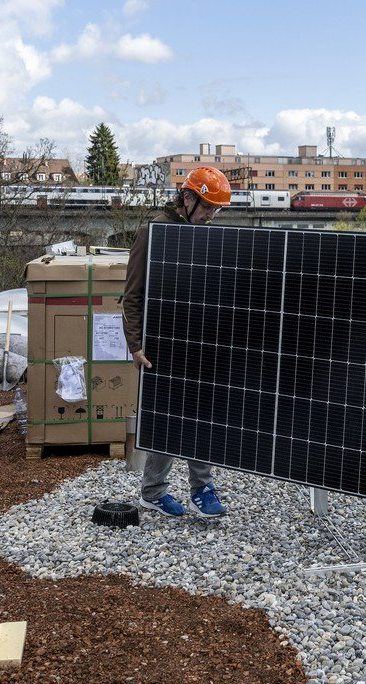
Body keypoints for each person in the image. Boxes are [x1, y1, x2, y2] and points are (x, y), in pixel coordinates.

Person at [122, 166, 231, 517]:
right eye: (207, 208)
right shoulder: (151, 232)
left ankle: (202, 488)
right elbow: (132, 295)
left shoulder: (205, 234)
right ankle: (152, 492)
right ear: (187, 198)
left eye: (215, 210)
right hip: (161, 342)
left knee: (202, 413)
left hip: (199, 339)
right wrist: (135, 345)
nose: (210, 216)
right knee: (167, 418)